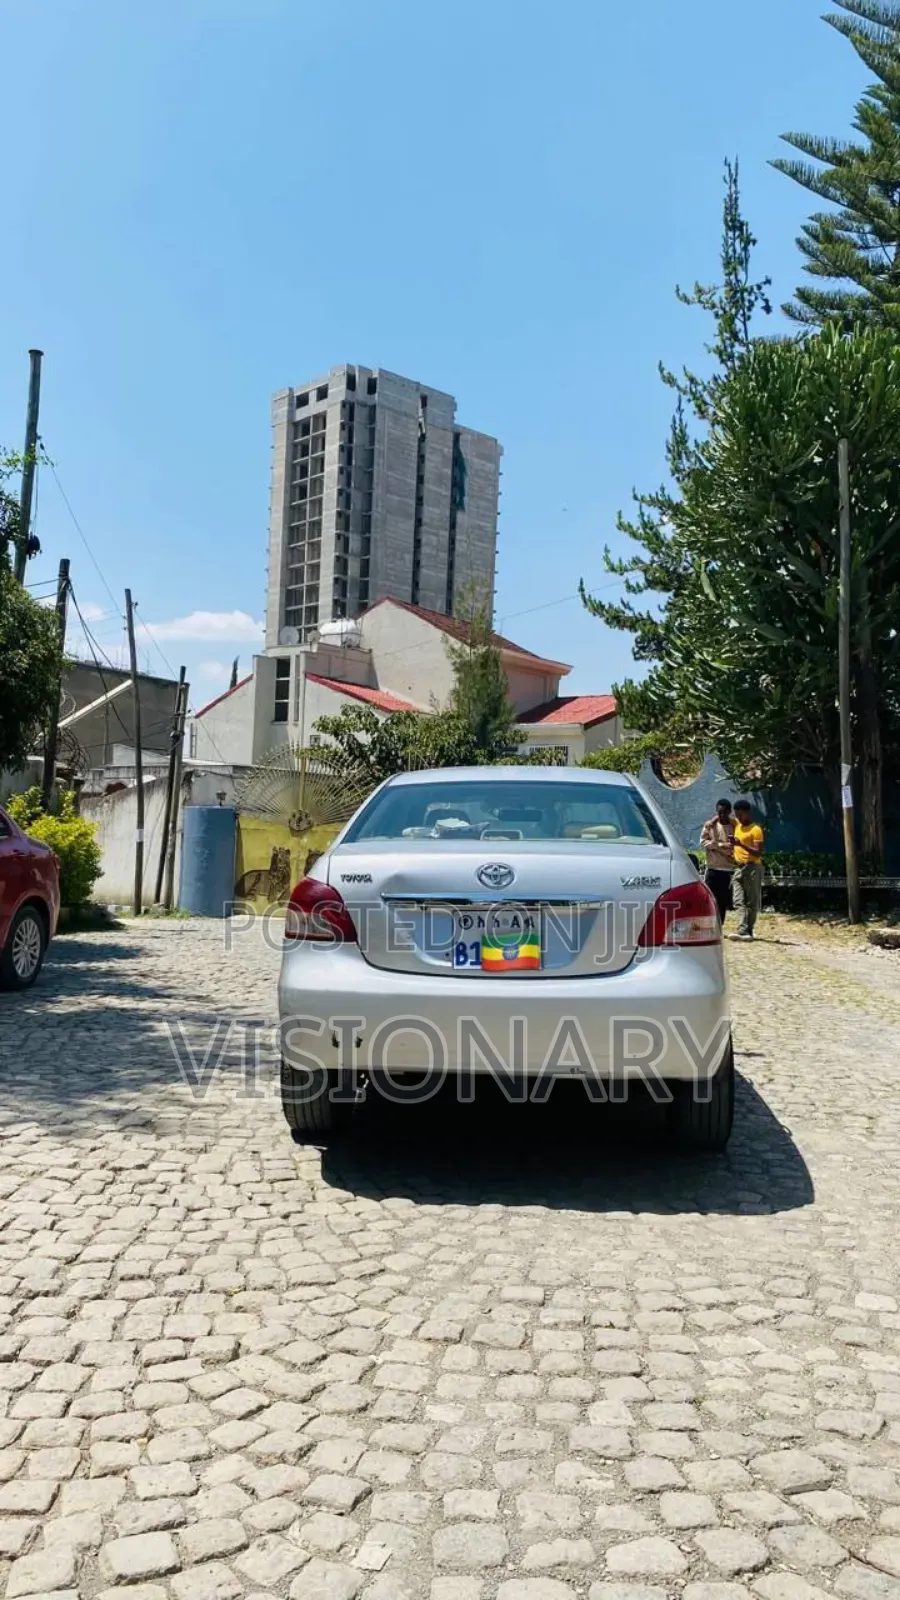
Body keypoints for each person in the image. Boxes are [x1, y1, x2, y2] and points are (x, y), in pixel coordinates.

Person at [732, 800, 765, 940]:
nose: (739, 818)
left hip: (752, 867)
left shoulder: (756, 829)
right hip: (738, 867)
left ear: (747, 813)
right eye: (737, 815)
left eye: (741, 815)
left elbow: (758, 853)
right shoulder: (738, 826)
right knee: (738, 900)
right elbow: (725, 817)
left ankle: (748, 930)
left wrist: (740, 844)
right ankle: (742, 929)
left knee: (751, 901)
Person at [700, 799, 735, 924]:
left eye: (725, 812)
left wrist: (717, 847)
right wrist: (720, 846)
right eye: (719, 812)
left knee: (722, 901)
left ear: (730, 812)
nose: (722, 815)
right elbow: (703, 842)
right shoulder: (710, 825)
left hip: (727, 869)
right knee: (708, 898)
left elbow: (734, 847)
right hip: (712, 868)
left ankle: (719, 925)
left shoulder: (734, 826)